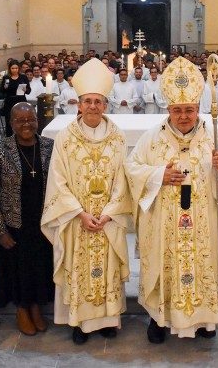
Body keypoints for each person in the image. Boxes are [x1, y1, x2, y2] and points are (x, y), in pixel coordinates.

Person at [125, 57, 218, 343]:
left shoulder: (212, 138)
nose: (184, 117)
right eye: (178, 110)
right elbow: (132, 169)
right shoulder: (152, 138)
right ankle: (159, 319)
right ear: (169, 109)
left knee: (203, 266)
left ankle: (204, 320)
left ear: (198, 108)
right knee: (164, 266)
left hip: (202, 224)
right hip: (165, 224)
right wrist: (158, 176)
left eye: (189, 110)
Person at [42, 58, 131, 345]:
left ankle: (108, 319)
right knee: (79, 268)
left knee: (107, 268)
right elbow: (57, 181)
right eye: (87, 101)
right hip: (77, 219)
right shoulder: (65, 138)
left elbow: (123, 180)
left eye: (98, 101)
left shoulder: (117, 137)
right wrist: (80, 213)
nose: (93, 106)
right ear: (78, 104)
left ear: (105, 105)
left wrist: (107, 213)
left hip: (107, 219)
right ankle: (79, 322)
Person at [0, 103, 54, 336]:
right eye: (20, 120)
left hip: (42, 222)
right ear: (11, 123)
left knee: (39, 266)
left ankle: (35, 307)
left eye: (31, 119)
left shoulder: (49, 147)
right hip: (14, 224)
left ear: (37, 120)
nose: (26, 124)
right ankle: (22, 309)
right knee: (20, 269)